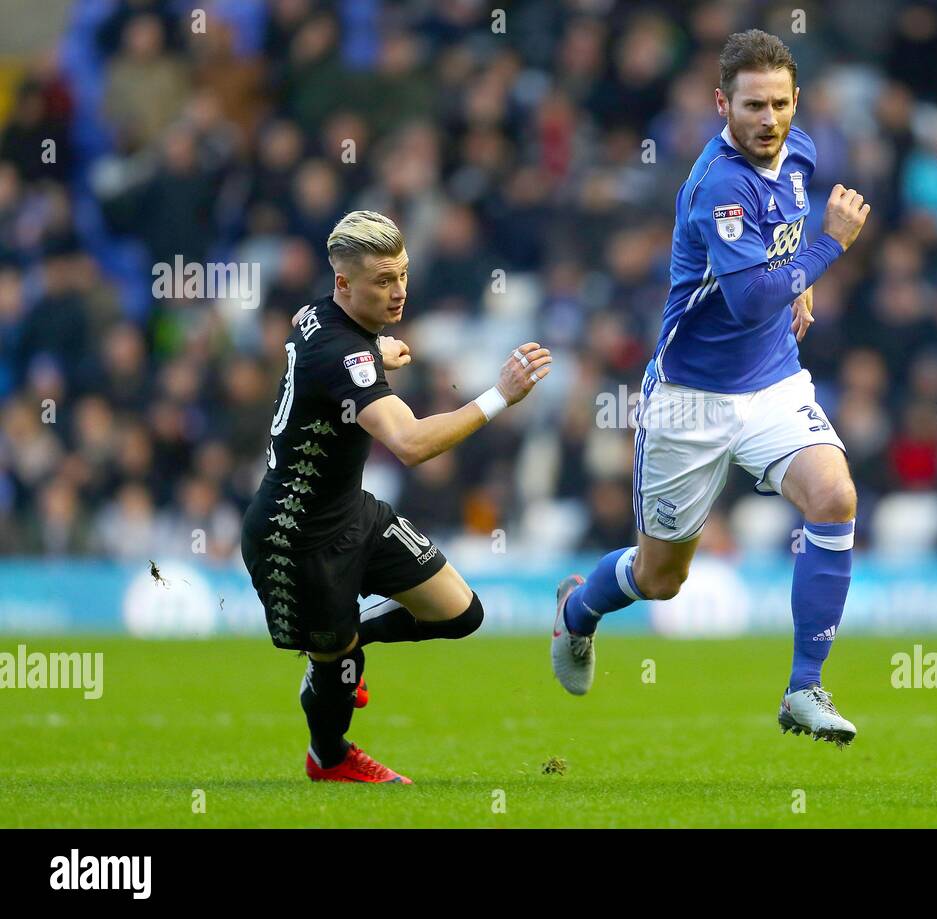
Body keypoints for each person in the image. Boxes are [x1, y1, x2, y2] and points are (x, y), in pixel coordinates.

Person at [550, 31, 870, 745]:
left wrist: (800, 289)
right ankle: (578, 611)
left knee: (835, 496)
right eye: (753, 105)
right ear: (722, 103)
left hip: (772, 380)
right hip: (692, 396)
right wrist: (829, 248)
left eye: (781, 104)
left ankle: (804, 687)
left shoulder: (803, 152)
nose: (769, 119)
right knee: (662, 578)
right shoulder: (719, 181)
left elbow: (773, 265)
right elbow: (752, 298)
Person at [242, 210, 551, 783]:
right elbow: (408, 443)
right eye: (383, 281)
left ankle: (347, 642)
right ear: (344, 284)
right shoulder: (344, 354)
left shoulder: (318, 316)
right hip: (296, 535)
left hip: (350, 513)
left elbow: (319, 350)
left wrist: (375, 352)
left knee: (460, 612)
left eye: (402, 275)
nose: (399, 291)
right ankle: (328, 757)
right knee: (334, 672)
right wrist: (498, 397)